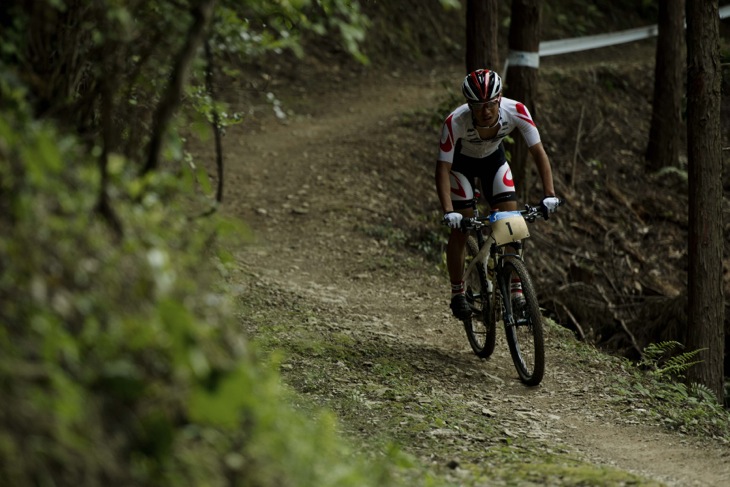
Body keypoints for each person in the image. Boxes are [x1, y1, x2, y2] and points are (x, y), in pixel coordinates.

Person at [435, 68, 560, 320]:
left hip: (494, 162)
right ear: (469, 104)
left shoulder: (516, 110)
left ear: (500, 98)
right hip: (462, 167)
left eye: (491, 103)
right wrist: (449, 211)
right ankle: (458, 291)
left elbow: (538, 152)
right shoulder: (455, 121)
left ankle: (516, 292)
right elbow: (443, 168)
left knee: (511, 224)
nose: (486, 110)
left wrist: (549, 194)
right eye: (478, 105)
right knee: (462, 227)